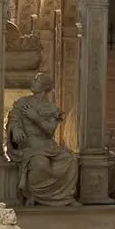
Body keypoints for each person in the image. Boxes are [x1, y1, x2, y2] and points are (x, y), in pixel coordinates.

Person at [6, 73, 79, 205]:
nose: (33, 81)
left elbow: (50, 130)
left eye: (37, 80)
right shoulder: (22, 102)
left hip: (47, 145)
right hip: (30, 144)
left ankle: (65, 197)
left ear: (45, 86)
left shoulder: (52, 108)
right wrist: (15, 129)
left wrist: (36, 118)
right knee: (40, 163)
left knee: (71, 160)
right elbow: (13, 120)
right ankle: (35, 196)